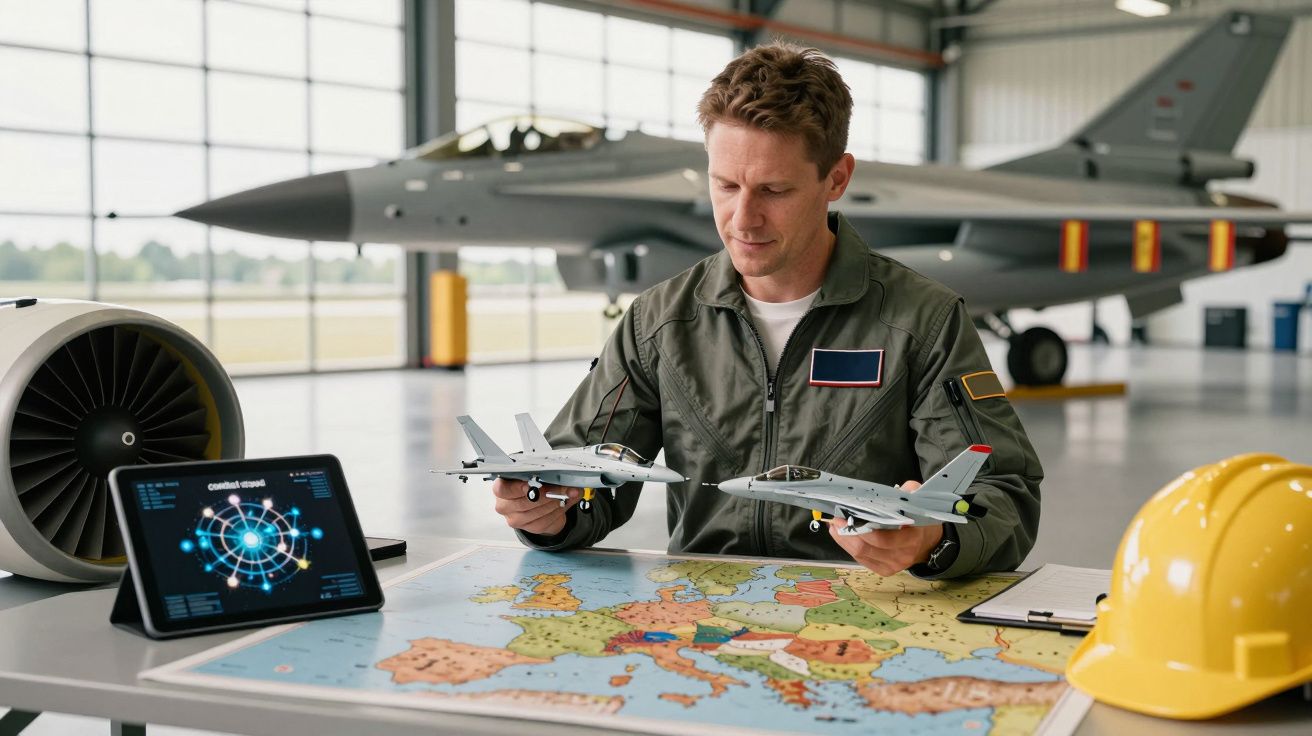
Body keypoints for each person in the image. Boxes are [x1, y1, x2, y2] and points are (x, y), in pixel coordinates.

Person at [491, 43, 1042, 579]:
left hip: (862, 624)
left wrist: (934, 539)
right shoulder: (659, 322)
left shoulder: (922, 321)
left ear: (837, 179)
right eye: (725, 185)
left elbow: (1004, 497)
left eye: (774, 190)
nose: (742, 219)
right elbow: (582, 472)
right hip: (703, 623)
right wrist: (548, 515)